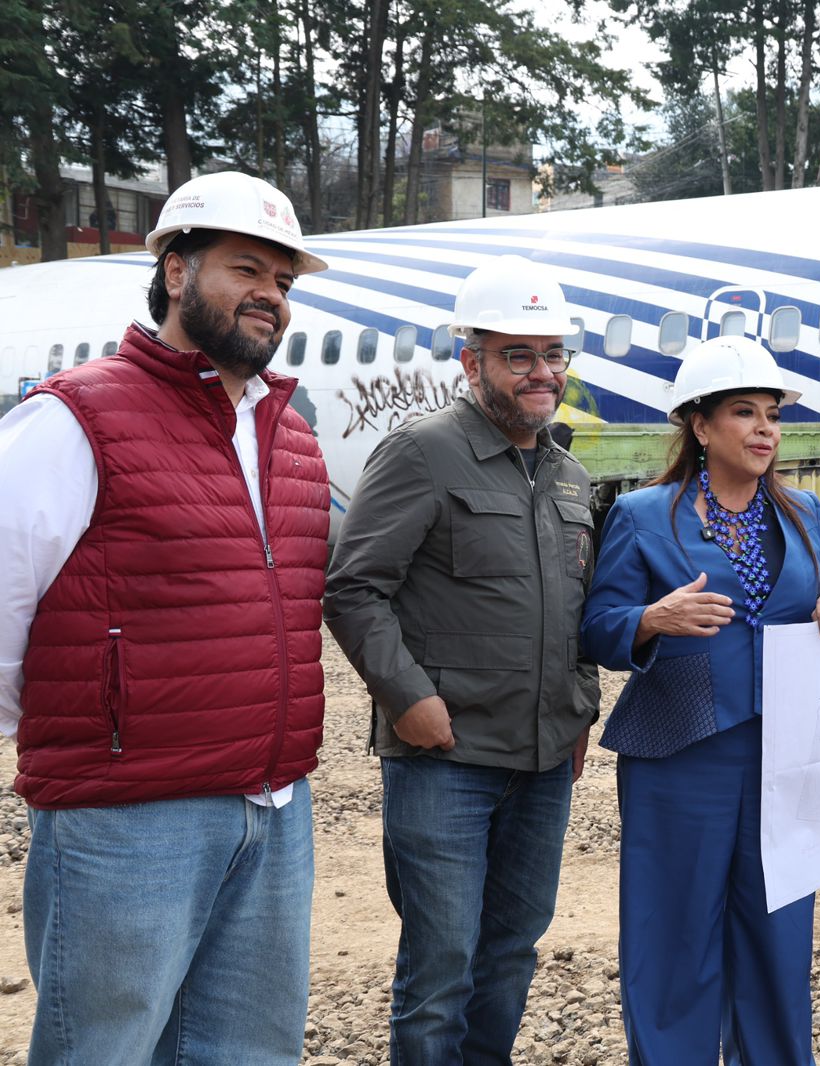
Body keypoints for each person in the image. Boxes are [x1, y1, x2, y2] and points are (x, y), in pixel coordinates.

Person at [0, 171, 330, 1062]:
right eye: (246, 270)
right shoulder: (75, 417)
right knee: (103, 1049)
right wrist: (89, 737)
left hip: (273, 804)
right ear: (177, 272)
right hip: (128, 818)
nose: (270, 296)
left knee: (251, 1053)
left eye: (284, 282)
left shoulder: (289, 434)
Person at [323, 256, 601, 1064]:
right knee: (440, 966)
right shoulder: (421, 453)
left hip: (545, 761)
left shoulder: (568, 473)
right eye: (517, 355)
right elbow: (354, 589)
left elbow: (577, 605)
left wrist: (577, 703)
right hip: (447, 759)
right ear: (470, 359)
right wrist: (408, 699)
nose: (541, 371)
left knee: (512, 953)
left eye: (553, 354)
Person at [580, 335, 820, 1063]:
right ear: (700, 425)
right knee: (673, 937)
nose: (765, 428)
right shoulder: (643, 515)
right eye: (744, 412)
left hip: (784, 758)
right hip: (680, 755)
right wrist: (648, 621)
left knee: (778, 932)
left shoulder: (803, 514)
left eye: (773, 414)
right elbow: (599, 631)